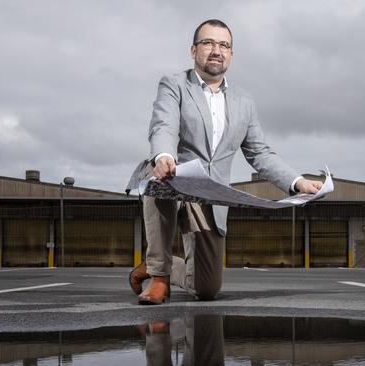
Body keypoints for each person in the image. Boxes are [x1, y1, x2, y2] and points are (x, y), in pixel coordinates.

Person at [128, 19, 322, 305]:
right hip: (174, 178)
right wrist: (164, 156)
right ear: (194, 50)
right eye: (208, 43)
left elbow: (260, 152)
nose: (216, 50)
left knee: (206, 290)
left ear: (231, 54)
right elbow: (163, 126)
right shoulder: (174, 85)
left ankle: (161, 268)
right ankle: (158, 277)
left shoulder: (244, 102)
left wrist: (298, 182)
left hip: (210, 194)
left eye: (224, 45)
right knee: (154, 179)